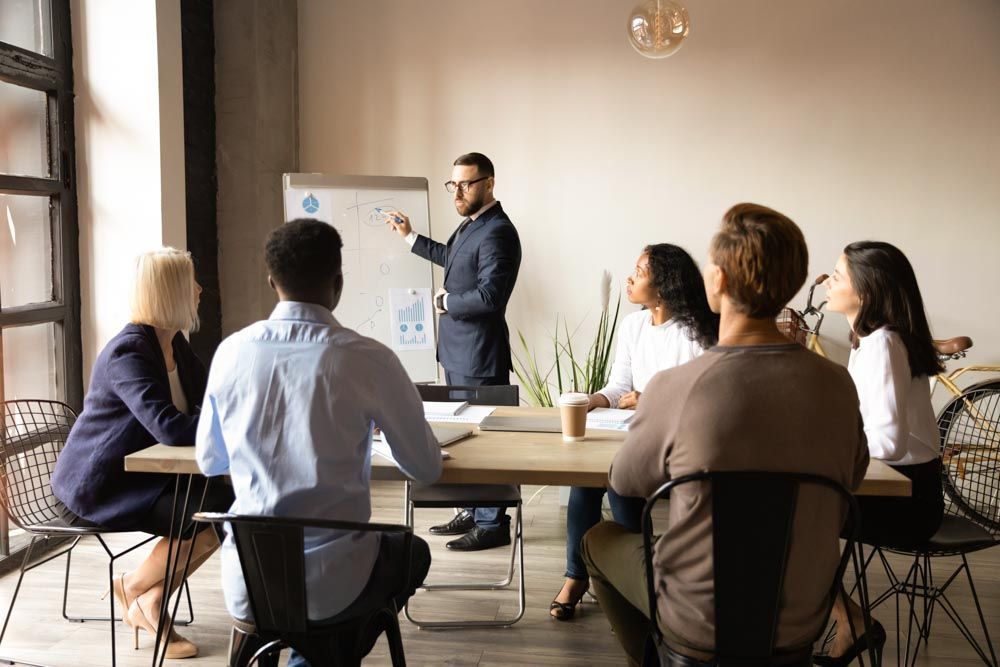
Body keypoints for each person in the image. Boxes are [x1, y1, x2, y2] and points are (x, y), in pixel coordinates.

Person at [581, 203, 870, 666]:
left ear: (716, 281)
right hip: (801, 618)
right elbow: (853, 475)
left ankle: (658, 658)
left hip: (698, 623)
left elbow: (626, 482)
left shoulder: (675, 387)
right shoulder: (839, 384)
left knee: (597, 539)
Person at [196, 219, 442, 667]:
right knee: (414, 552)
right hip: (335, 585)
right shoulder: (369, 359)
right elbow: (426, 468)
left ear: (272, 282)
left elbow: (211, 460)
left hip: (250, 581)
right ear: (339, 283)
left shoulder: (231, 351)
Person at [51, 248, 232, 659]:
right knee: (217, 510)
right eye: (191, 283)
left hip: (145, 477)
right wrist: (228, 429)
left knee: (225, 508)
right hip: (101, 486)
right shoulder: (128, 352)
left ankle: (145, 597)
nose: (200, 290)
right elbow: (168, 426)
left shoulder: (174, 346)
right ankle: (135, 588)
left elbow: (214, 401)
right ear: (170, 293)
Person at [550, 243, 718, 620]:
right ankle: (578, 576)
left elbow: (703, 399)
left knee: (616, 479)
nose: (629, 278)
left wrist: (651, 398)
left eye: (640, 272)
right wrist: (593, 399)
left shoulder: (696, 332)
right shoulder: (633, 326)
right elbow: (618, 388)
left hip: (676, 442)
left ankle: (629, 582)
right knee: (585, 477)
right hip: (632, 433)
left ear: (663, 285)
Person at [385, 152, 522, 551]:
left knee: (484, 440)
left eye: (466, 184)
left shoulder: (498, 231)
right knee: (465, 435)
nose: (457, 191)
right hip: (459, 353)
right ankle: (473, 509)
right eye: (453, 184)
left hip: (479, 355)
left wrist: (444, 303)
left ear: (489, 184)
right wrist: (411, 237)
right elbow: (454, 260)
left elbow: (490, 296)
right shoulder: (473, 226)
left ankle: (492, 522)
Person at [818, 241, 945, 664]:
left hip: (910, 500)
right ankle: (845, 618)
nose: (829, 282)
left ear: (867, 291)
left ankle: (845, 621)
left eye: (838, 276)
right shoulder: (870, 343)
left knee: (794, 515)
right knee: (795, 510)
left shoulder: (884, 344)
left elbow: (888, 442)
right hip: (897, 490)